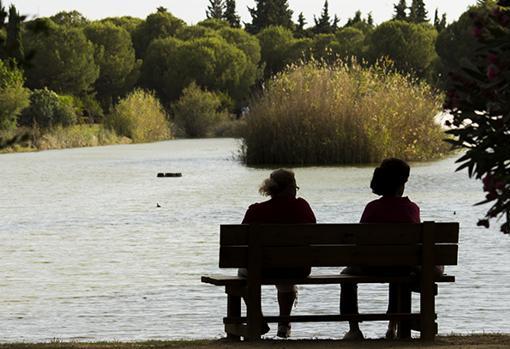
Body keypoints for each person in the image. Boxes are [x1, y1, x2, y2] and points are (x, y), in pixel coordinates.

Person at [340, 158, 441, 340]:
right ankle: (392, 327)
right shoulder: (411, 208)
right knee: (399, 269)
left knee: (346, 276)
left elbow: (360, 242)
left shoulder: (371, 208)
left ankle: (354, 328)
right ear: (402, 183)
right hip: (403, 265)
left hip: (371, 266)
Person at [239, 169, 316, 338]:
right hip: (298, 269)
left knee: (242, 275)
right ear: (290, 188)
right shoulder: (302, 207)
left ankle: (257, 319)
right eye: (295, 186)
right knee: (286, 275)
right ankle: (283, 323)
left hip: (261, 269)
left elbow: (241, 243)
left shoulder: (256, 211)